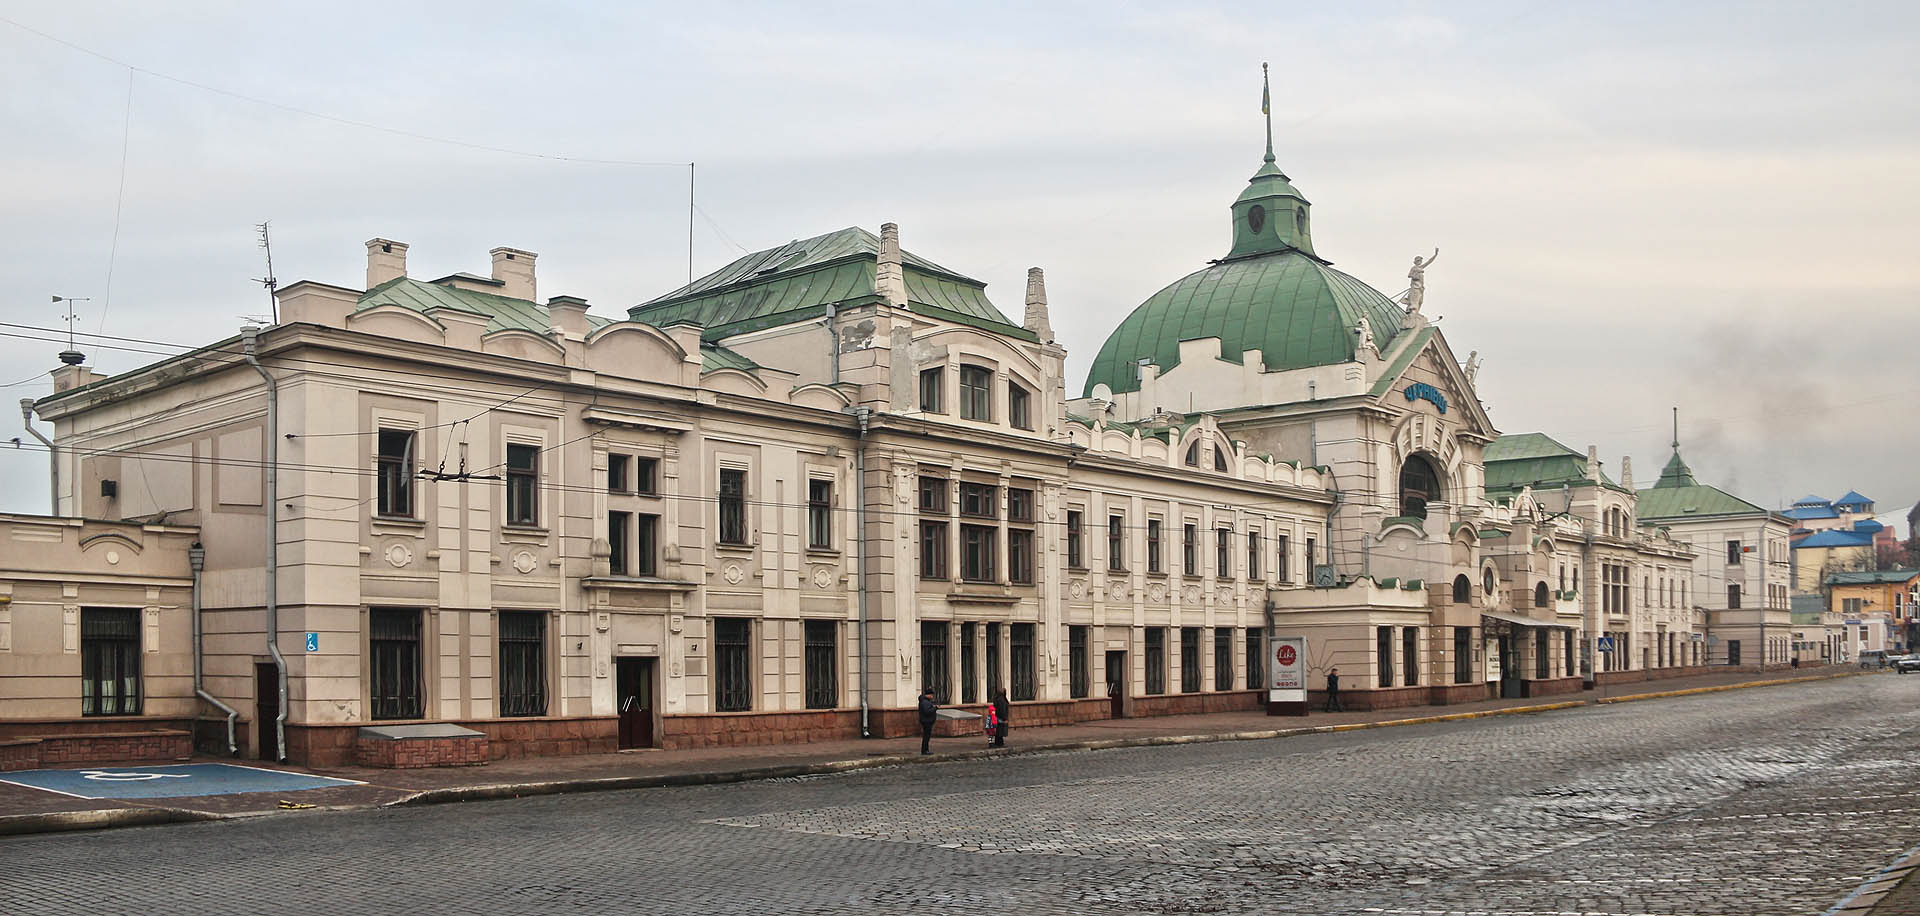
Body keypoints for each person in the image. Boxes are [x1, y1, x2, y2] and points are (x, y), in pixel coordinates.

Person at [917, 687, 938, 755]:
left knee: (926, 736)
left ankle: (925, 750)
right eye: (932, 695)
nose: (932, 696)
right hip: (927, 721)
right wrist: (935, 708)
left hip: (926, 721)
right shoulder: (925, 702)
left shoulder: (925, 701)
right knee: (926, 736)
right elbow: (927, 711)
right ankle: (925, 750)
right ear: (928, 695)